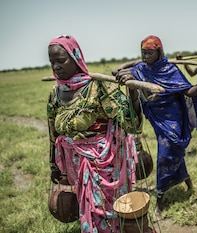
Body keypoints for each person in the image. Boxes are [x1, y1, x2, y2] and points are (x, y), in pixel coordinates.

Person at [47, 35, 142, 233]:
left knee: (108, 211)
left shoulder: (97, 87)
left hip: (104, 164)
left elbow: (132, 124)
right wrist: (54, 165)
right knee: (87, 210)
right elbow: (53, 132)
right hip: (75, 166)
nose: (55, 66)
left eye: (61, 60)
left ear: (76, 58)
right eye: (52, 61)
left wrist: (132, 92)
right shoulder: (55, 93)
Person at [113, 35, 197, 216]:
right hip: (157, 118)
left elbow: (190, 91)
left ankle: (160, 197)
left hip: (174, 118)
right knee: (172, 153)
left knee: (167, 155)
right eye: (143, 52)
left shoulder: (170, 70)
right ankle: (184, 181)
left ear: (159, 52)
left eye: (150, 52)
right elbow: (117, 71)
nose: (146, 56)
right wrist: (134, 63)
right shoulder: (140, 68)